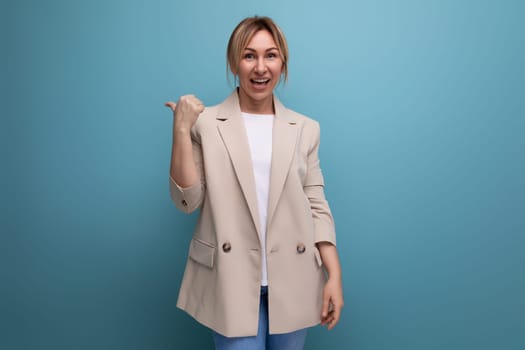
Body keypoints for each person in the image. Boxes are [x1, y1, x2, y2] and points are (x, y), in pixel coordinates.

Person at [165, 16, 343, 350]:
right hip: (230, 278)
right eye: (249, 56)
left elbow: (317, 205)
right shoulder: (205, 123)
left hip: (295, 276)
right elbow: (186, 200)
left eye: (270, 55)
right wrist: (180, 129)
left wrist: (335, 275)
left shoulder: (305, 128)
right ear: (235, 62)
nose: (260, 67)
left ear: (282, 62)